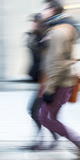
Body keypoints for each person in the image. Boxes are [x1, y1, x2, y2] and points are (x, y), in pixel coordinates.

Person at [38, 0, 80, 160]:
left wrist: (49, 89)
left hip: (59, 83)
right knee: (51, 117)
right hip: (62, 81)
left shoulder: (58, 32)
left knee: (45, 117)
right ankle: (78, 146)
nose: (42, 12)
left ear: (53, 10)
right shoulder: (58, 29)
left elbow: (57, 63)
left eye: (44, 9)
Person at [25, 13, 59, 150]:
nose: (32, 25)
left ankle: (48, 139)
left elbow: (47, 60)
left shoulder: (47, 39)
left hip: (48, 80)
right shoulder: (34, 37)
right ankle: (47, 139)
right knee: (39, 112)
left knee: (37, 111)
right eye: (32, 22)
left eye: (35, 23)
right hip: (41, 80)